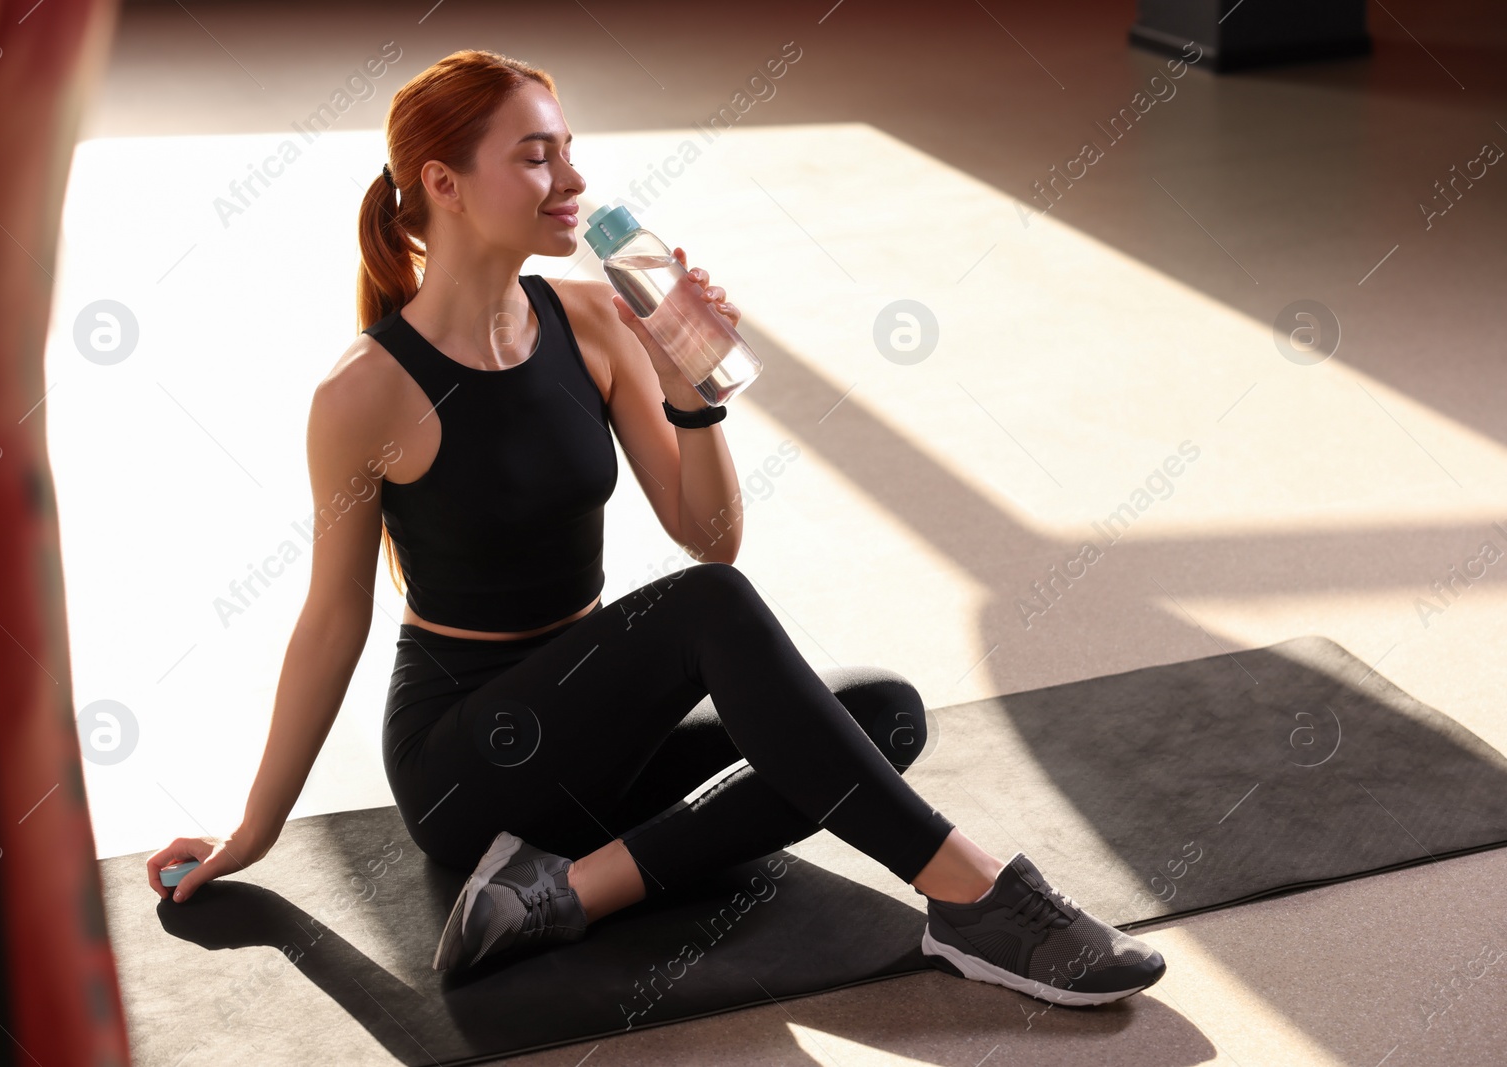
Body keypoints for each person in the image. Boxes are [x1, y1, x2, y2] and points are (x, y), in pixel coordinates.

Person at [145, 48, 1165, 1007]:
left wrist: (695, 397)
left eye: (569, 148)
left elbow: (707, 533)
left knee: (884, 712)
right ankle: (975, 895)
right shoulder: (364, 390)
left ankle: (560, 893)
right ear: (442, 183)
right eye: (534, 154)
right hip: (471, 762)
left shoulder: (591, 320)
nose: (568, 176)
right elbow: (332, 617)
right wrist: (254, 827)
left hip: (602, 744)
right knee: (715, 618)